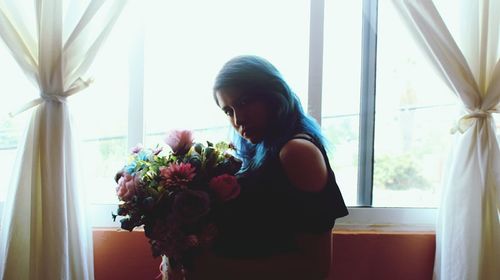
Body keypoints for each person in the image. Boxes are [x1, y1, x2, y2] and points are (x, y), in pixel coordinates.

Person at [187, 55, 348, 280]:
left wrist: (215, 268)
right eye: (228, 111)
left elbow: (314, 268)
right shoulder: (261, 146)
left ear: (272, 94)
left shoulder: (296, 152)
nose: (238, 119)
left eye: (243, 102)